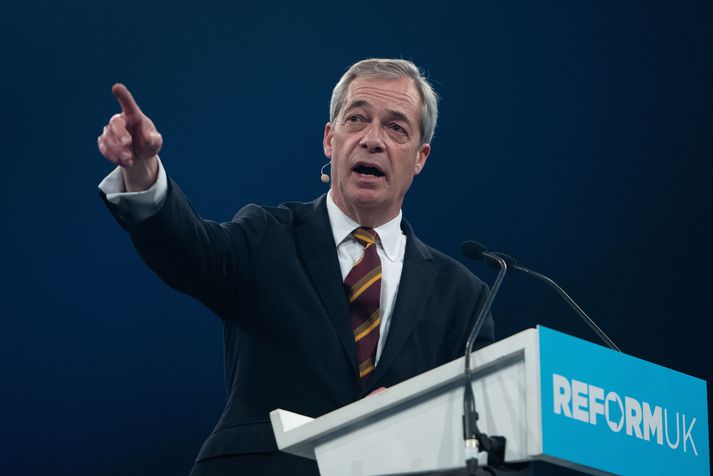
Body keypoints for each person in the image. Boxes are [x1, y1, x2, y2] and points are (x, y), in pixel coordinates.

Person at [97, 58, 494, 476]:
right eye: (356, 119)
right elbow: (189, 250)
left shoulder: (463, 298)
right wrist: (142, 171)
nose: (372, 139)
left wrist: (406, 431)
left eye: (396, 128)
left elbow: (487, 439)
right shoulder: (267, 236)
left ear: (420, 157)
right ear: (330, 139)